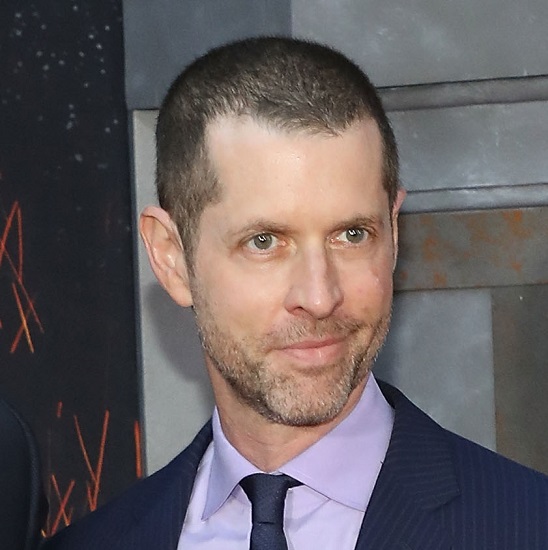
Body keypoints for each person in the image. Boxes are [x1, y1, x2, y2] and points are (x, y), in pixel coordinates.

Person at [43, 36, 548, 550]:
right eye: (264, 242)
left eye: (352, 234)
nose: (320, 296)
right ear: (172, 258)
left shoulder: (528, 527)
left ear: (394, 234)